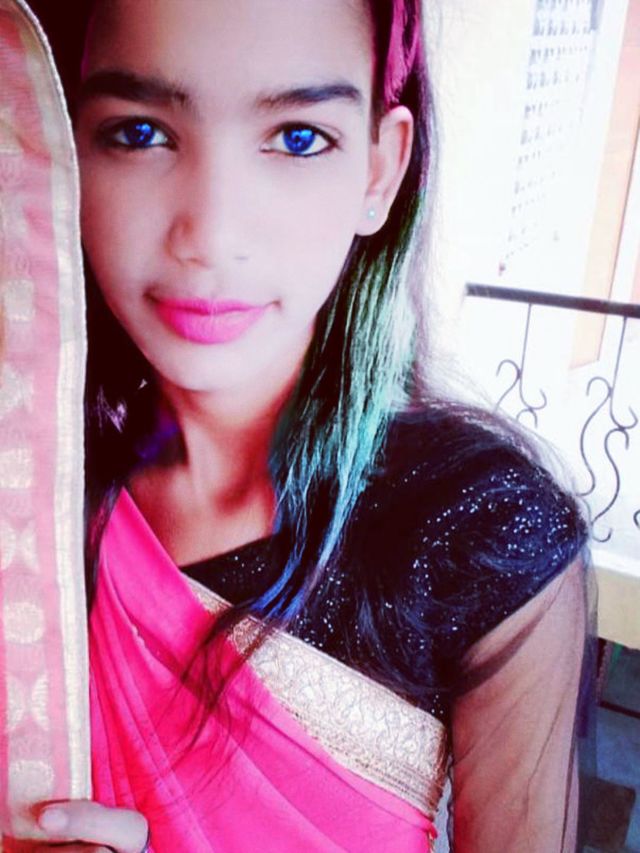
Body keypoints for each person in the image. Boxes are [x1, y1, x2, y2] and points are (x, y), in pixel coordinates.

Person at [11, 0, 590, 850]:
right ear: (64, 150)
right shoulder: (30, 477)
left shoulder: (485, 534)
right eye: (140, 133)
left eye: (297, 137)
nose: (210, 235)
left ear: (379, 173)